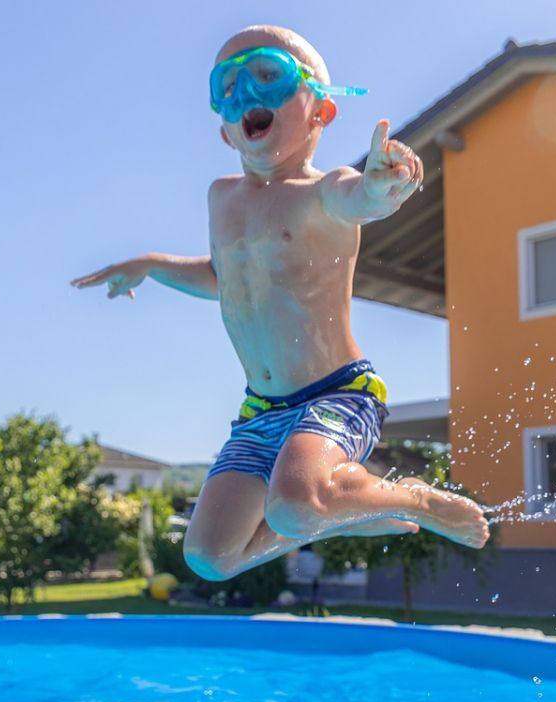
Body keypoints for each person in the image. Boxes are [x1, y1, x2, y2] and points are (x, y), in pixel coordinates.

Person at [72, 26, 489, 581]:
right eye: (228, 84)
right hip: (260, 412)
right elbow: (224, 278)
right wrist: (150, 264)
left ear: (322, 111)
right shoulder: (222, 199)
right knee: (210, 557)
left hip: (337, 394)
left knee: (295, 504)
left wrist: (385, 182)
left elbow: (363, 198)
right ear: (225, 130)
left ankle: (412, 499)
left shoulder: (324, 192)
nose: (247, 92)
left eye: (269, 75)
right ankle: (336, 511)